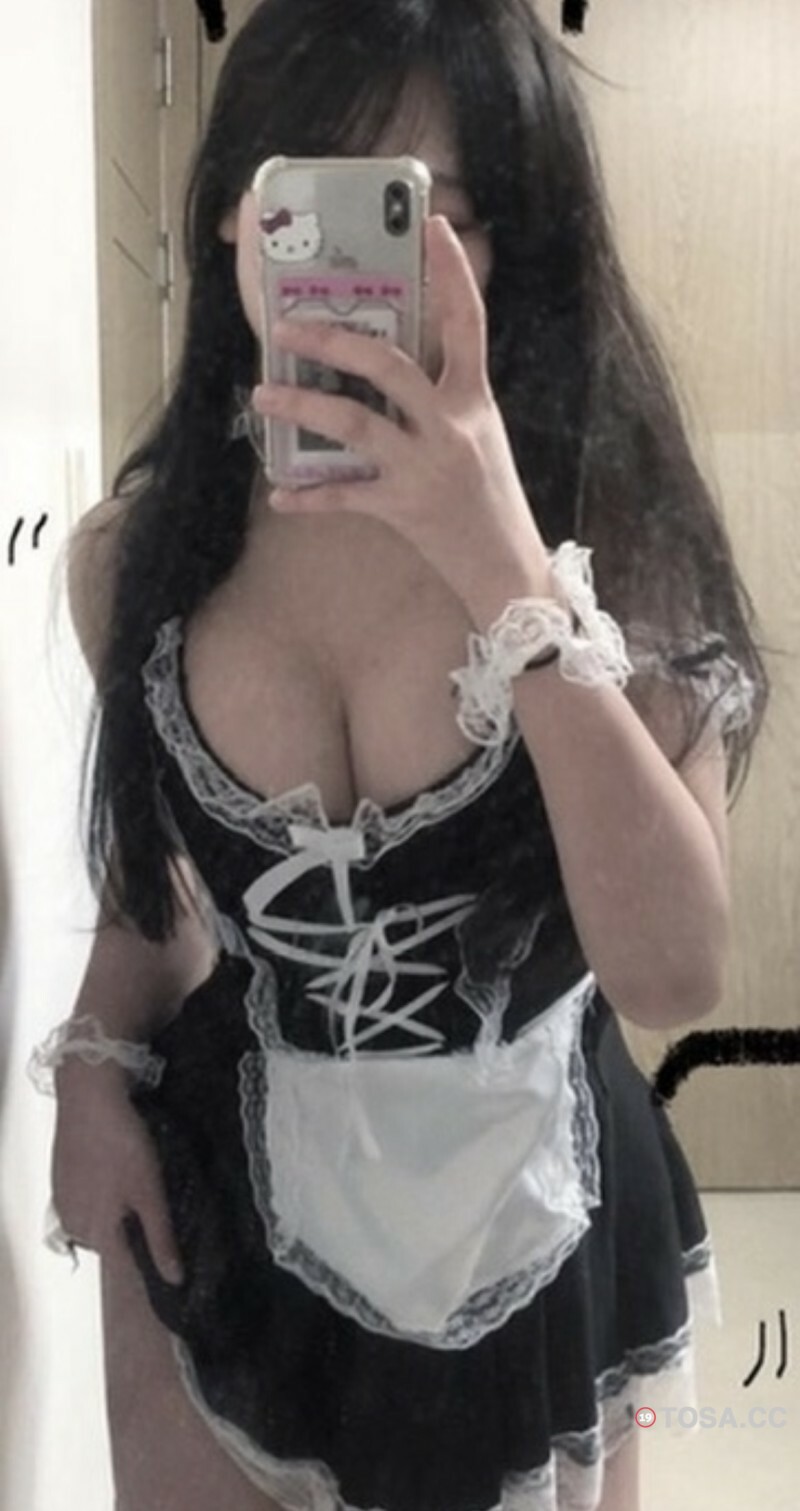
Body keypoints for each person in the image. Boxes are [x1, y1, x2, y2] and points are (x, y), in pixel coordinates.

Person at [29, 2, 770, 1508]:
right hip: (225, 1204)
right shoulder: (135, 560)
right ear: (234, 217)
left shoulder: (615, 553)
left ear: (518, 247)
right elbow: (166, 894)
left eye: (448, 215)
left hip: (540, 1217)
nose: (374, 268)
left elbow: (673, 973)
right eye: (322, 198)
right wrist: (95, 1068)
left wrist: (508, 574)